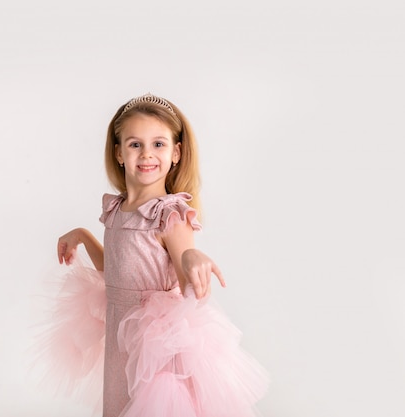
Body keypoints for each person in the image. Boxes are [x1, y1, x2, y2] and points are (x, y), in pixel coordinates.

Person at [36, 93, 269, 417]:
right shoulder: (117, 210)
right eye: (135, 144)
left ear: (176, 153)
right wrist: (87, 238)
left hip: (156, 345)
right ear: (118, 152)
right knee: (120, 404)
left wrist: (191, 258)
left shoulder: (169, 214)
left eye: (158, 144)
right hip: (121, 335)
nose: (147, 154)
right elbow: (119, 271)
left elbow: (190, 280)